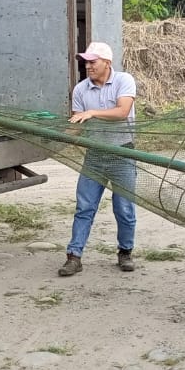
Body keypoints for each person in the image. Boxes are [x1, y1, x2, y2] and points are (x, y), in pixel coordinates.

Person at [58, 41, 138, 276]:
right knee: (84, 207)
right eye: (86, 62)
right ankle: (74, 257)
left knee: (124, 208)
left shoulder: (124, 80)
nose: (88, 66)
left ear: (107, 63)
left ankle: (125, 252)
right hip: (94, 155)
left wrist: (92, 112)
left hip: (122, 153)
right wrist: (58, 136)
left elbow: (122, 111)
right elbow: (77, 124)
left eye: (93, 62)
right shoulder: (80, 89)